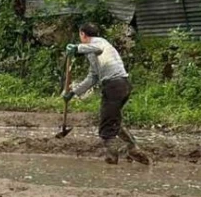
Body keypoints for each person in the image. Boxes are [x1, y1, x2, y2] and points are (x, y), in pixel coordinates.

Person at [64, 23, 151, 165]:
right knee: (113, 120)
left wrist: (77, 48)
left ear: (83, 34)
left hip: (115, 85)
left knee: (106, 125)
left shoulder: (99, 42)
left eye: (80, 36)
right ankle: (132, 148)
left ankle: (112, 157)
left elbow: (96, 47)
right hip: (120, 86)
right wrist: (74, 92)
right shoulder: (92, 53)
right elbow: (93, 77)